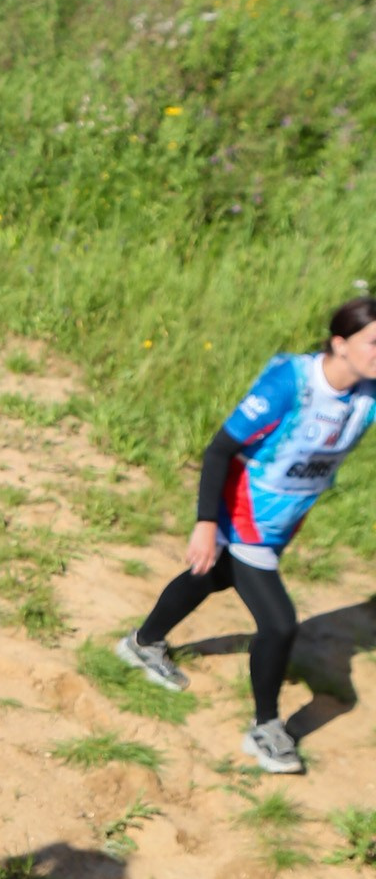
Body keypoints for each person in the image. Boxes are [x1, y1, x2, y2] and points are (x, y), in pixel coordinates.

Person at [117, 295, 376, 773]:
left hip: (285, 518)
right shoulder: (291, 384)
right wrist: (206, 522)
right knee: (279, 623)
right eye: (374, 343)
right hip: (245, 513)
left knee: (211, 576)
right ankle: (266, 729)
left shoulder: (367, 394)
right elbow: (219, 449)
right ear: (340, 344)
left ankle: (142, 642)